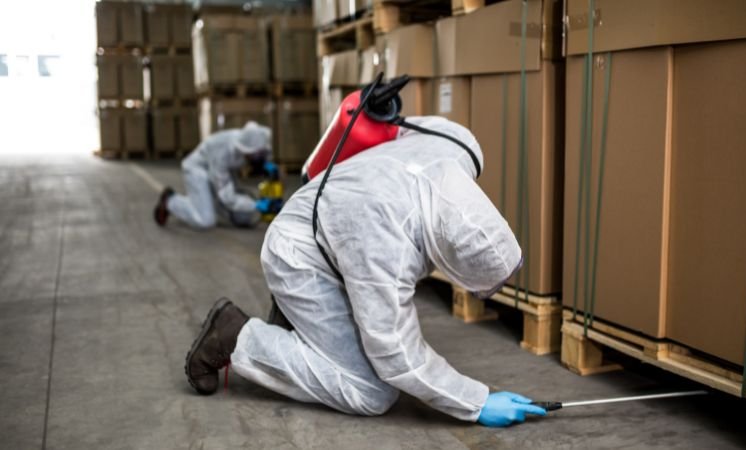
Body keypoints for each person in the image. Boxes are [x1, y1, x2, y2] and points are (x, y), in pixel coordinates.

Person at [184, 116, 547, 427]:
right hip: (297, 255)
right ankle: (235, 336)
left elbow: (422, 127)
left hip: (329, 225)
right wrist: (477, 402)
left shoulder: (455, 149)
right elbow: (395, 353)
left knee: (364, 347)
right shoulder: (387, 244)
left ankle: (300, 325)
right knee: (372, 391)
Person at [154, 121, 275, 229]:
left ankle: (200, 201)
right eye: (257, 156)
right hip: (197, 170)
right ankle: (170, 201)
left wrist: (268, 167)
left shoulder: (248, 140)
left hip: (218, 172)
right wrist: (256, 205)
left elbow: (259, 154)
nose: (259, 158)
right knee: (206, 220)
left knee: (243, 215)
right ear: (245, 149)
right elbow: (227, 197)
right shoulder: (223, 153)